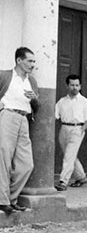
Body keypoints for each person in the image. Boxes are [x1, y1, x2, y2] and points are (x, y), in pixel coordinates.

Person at [0, 47, 39, 214]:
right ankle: (3, 201)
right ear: (19, 61)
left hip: (24, 119)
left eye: (34, 61)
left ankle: (11, 198)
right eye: (30, 61)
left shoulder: (32, 82)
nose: (33, 64)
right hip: (7, 116)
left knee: (26, 164)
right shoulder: (5, 75)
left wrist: (35, 99)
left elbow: (36, 107)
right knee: (3, 159)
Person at [55, 74, 87, 191]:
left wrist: (81, 130)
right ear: (67, 86)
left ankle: (63, 181)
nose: (75, 88)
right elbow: (55, 115)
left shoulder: (84, 101)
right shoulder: (62, 101)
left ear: (80, 86)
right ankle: (81, 177)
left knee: (69, 156)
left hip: (77, 129)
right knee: (70, 155)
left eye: (77, 85)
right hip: (64, 129)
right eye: (72, 85)